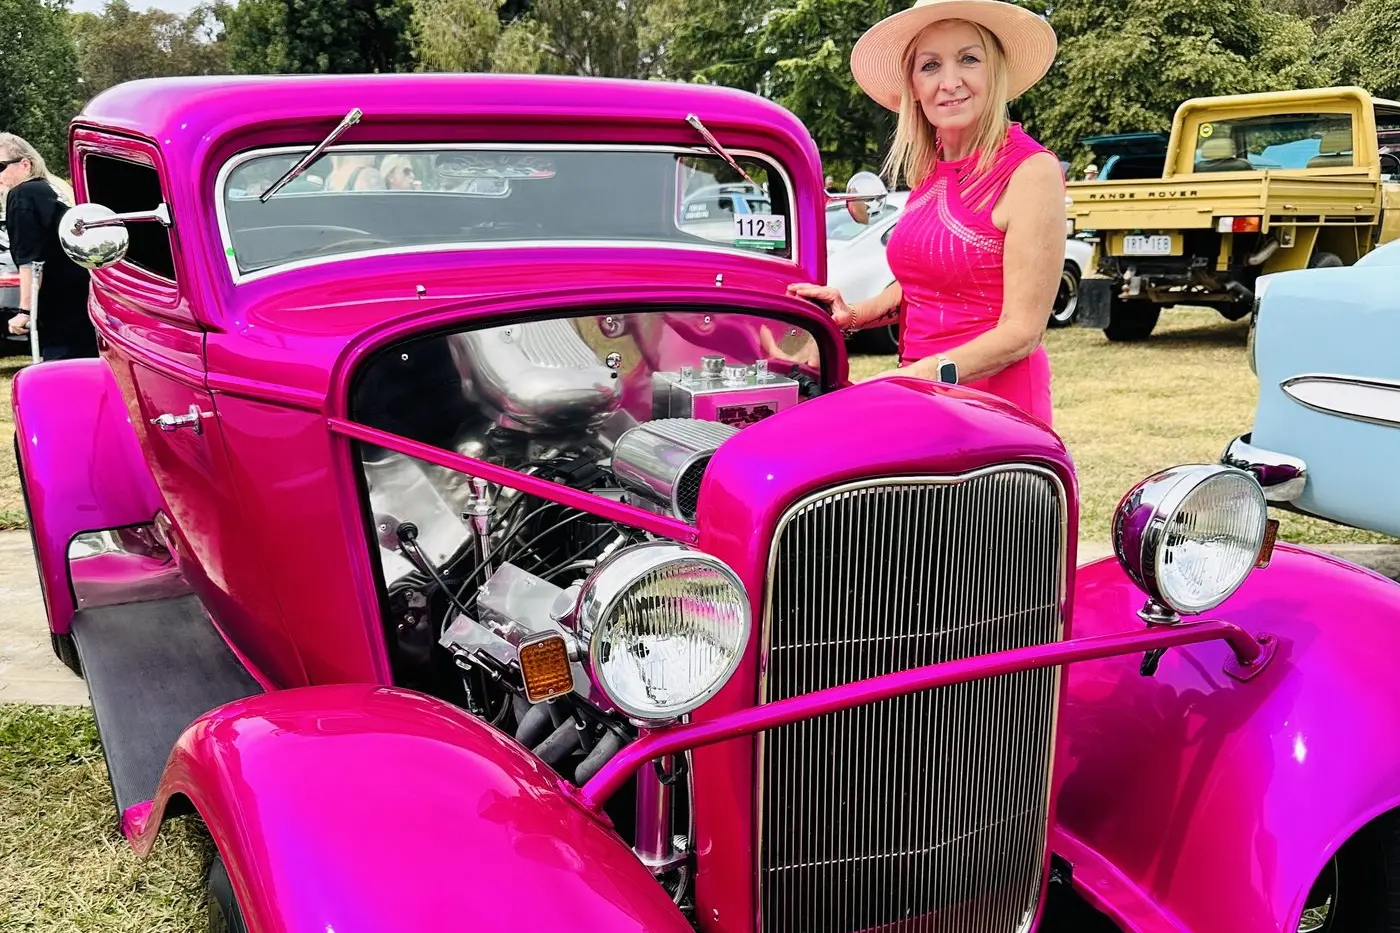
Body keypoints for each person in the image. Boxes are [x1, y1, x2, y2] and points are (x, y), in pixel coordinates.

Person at [787, 0, 1065, 426]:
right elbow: (920, 284)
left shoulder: (1031, 171)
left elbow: (1021, 333)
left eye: (969, 59)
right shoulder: (930, 166)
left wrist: (912, 378)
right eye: (930, 65)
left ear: (996, 72)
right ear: (913, 84)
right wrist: (852, 314)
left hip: (997, 409)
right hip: (924, 397)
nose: (950, 82)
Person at [1, 133, 97, 360]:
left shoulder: (22, 193)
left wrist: (25, 311)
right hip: (82, 300)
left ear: (25, 164)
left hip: (60, 309)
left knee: (62, 371)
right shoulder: (51, 190)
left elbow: (31, 260)